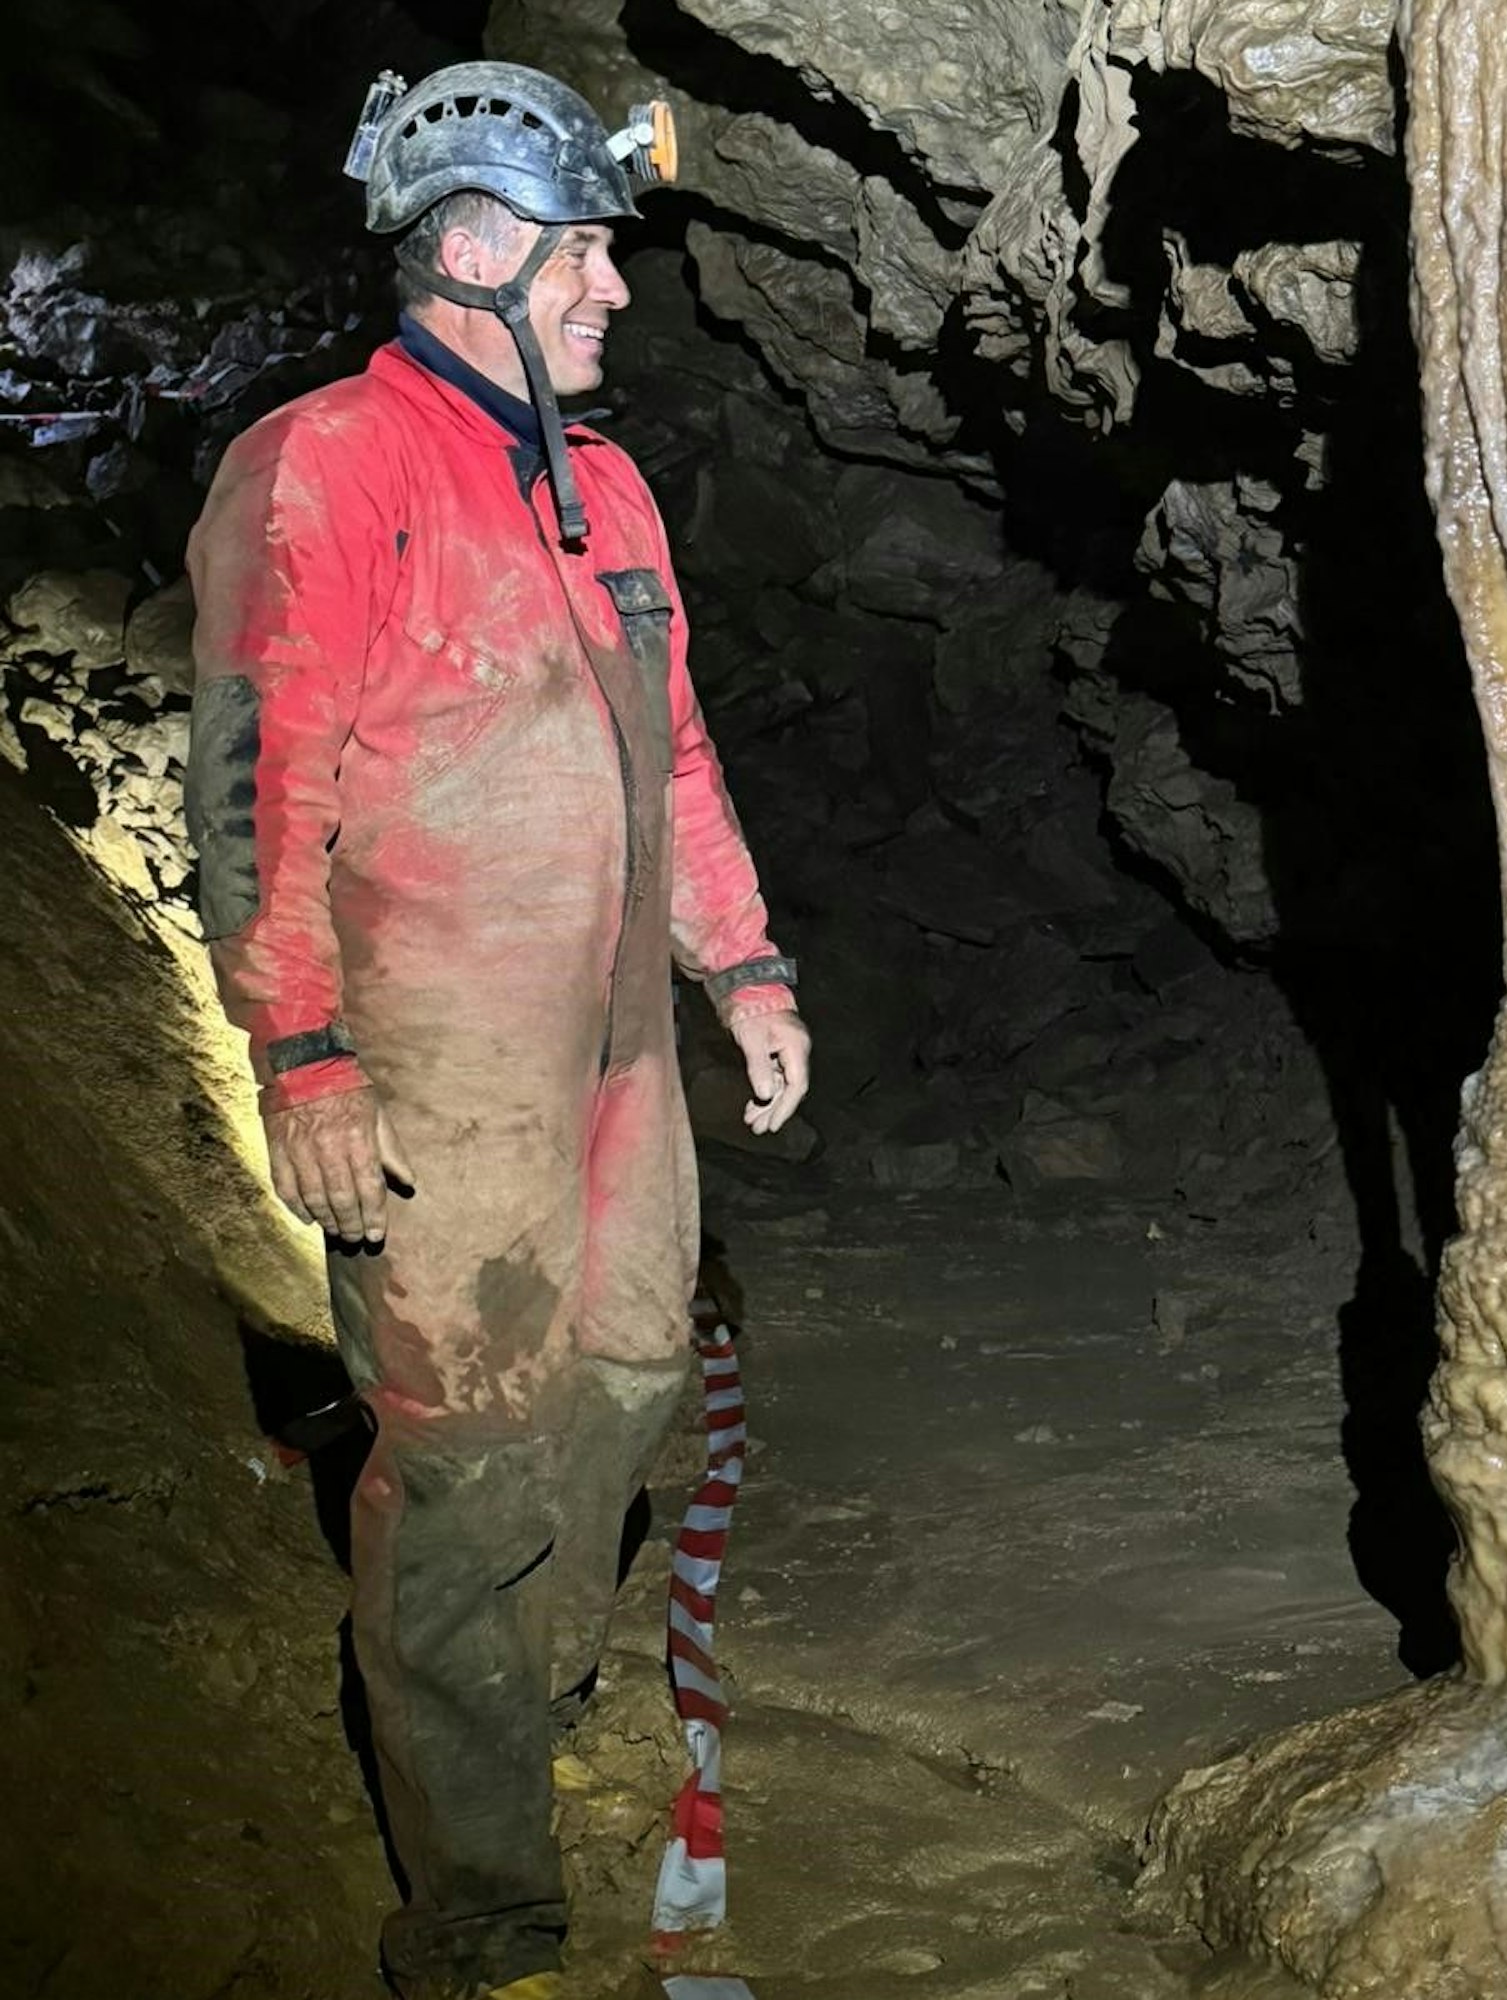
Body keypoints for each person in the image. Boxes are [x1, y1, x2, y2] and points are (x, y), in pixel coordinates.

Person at [181, 62, 810, 2000]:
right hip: (436, 1046)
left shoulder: (601, 482)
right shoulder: (326, 465)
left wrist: (745, 964)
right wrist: (299, 1048)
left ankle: (526, 1687)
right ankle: (480, 1909)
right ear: (476, 249)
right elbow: (254, 776)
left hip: (616, 1043)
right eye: (588, 250)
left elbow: (673, 745)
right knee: (461, 1458)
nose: (616, 287)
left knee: (626, 1382)